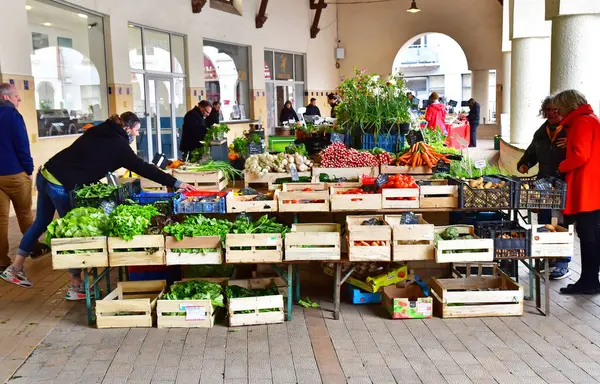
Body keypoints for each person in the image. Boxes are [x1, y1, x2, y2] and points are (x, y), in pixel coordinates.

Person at [0, 112, 195, 299]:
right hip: (61, 184)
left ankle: (16, 268)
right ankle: (75, 286)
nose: (137, 134)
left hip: (46, 174)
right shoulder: (119, 146)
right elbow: (143, 167)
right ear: (126, 128)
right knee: (73, 235)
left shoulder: (100, 129)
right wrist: (175, 183)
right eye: (136, 130)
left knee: (41, 222)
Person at [551, 90, 600, 294]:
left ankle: (589, 281)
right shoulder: (590, 119)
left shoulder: (581, 122)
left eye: (558, 108)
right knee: (592, 235)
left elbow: (580, 155)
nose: (557, 112)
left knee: (588, 235)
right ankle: (590, 279)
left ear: (567, 104)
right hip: (592, 186)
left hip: (587, 187)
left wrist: (561, 166)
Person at [517, 96, 571, 280]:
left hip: (565, 183)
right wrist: (525, 163)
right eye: (549, 109)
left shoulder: (571, 129)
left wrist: (571, 142)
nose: (552, 112)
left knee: (564, 222)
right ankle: (545, 257)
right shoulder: (542, 131)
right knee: (544, 220)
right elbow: (532, 151)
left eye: (556, 109)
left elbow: (584, 151)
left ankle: (563, 262)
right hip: (543, 183)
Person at [0, 83, 49, 269]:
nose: (18, 99)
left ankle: (2, 261)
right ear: (6, 97)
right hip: (14, 173)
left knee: (1, 220)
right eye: (15, 96)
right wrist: (29, 170)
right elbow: (22, 146)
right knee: (24, 213)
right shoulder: (13, 116)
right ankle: (34, 248)